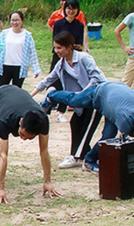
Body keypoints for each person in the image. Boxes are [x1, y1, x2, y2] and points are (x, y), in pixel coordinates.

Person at [44, 81, 134, 181]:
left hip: (116, 99)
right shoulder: (125, 120)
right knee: (73, 100)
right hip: (101, 92)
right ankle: (52, 94)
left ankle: (89, 160)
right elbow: (120, 148)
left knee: (108, 136)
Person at [31, 31, 106, 169]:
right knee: (75, 124)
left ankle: (76, 157)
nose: (56, 51)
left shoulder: (84, 58)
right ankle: (83, 154)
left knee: (86, 129)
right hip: (80, 102)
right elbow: (47, 80)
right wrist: (30, 96)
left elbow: (96, 78)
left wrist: (82, 94)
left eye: (59, 48)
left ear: (69, 47)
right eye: (55, 47)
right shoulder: (61, 64)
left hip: (95, 99)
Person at [49, 0, 88, 123]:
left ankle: (61, 111)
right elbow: (56, 41)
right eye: (68, 8)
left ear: (77, 10)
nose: (71, 11)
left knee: (68, 83)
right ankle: (48, 106)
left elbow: (80, 44)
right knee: (54, 82)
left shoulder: (80, 25)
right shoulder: (59, 24)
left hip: (72, 57)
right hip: (59, 56)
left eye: (73, 9)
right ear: (65, 9)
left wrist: (77, 47)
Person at [0, 11, 40, 88]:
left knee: (16, 90)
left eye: (17, 20)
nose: (15, 22)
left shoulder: (27, 35)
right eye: (12, 20)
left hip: (19, 67)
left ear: (22, 21)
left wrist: (36, 69)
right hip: (5, 65)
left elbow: (32, 52)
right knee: (1, 89)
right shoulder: (4, 33)